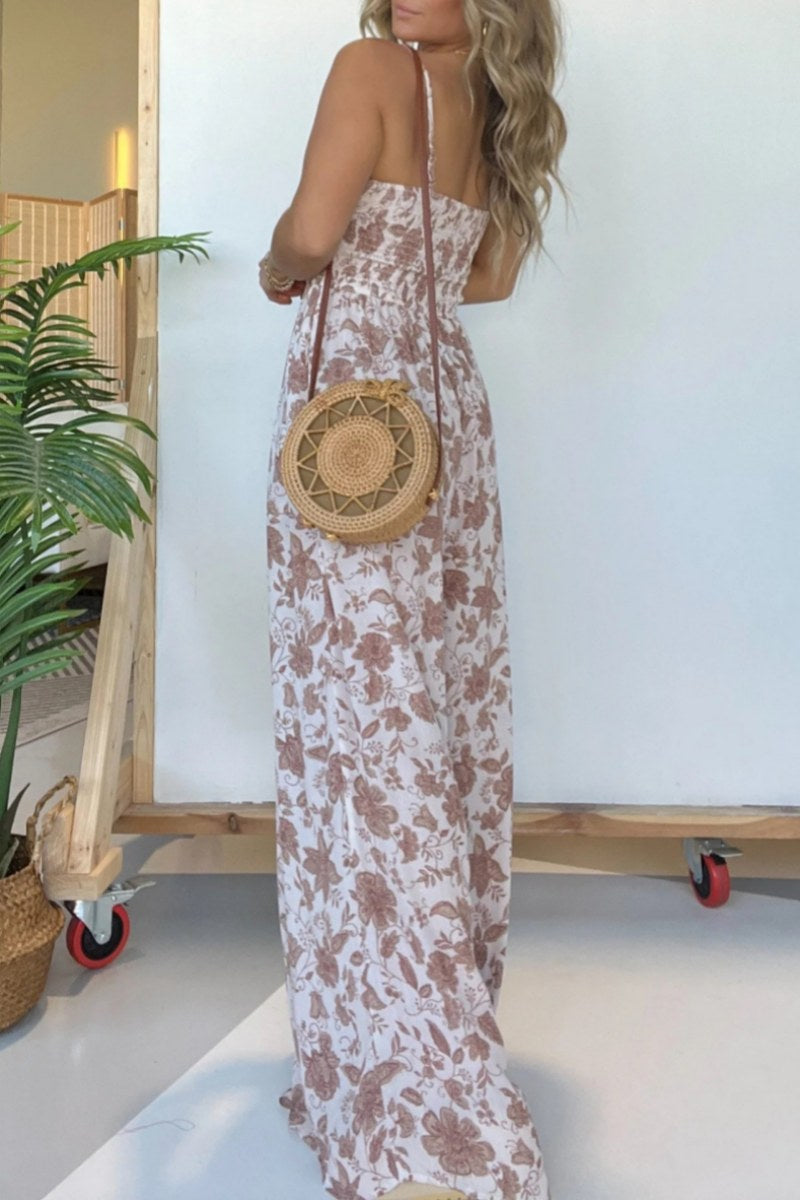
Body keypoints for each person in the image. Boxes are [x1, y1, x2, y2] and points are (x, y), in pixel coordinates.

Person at [259, 3, 568, 1198]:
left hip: (353, 428)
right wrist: (411, 276)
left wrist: (278, 270)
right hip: (445, 424)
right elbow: (486, 277)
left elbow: (310, 231)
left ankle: (404, 1088)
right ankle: (433, 1037)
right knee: (431, 711)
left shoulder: (368, 67)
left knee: (359, 727)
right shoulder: (498, 107)